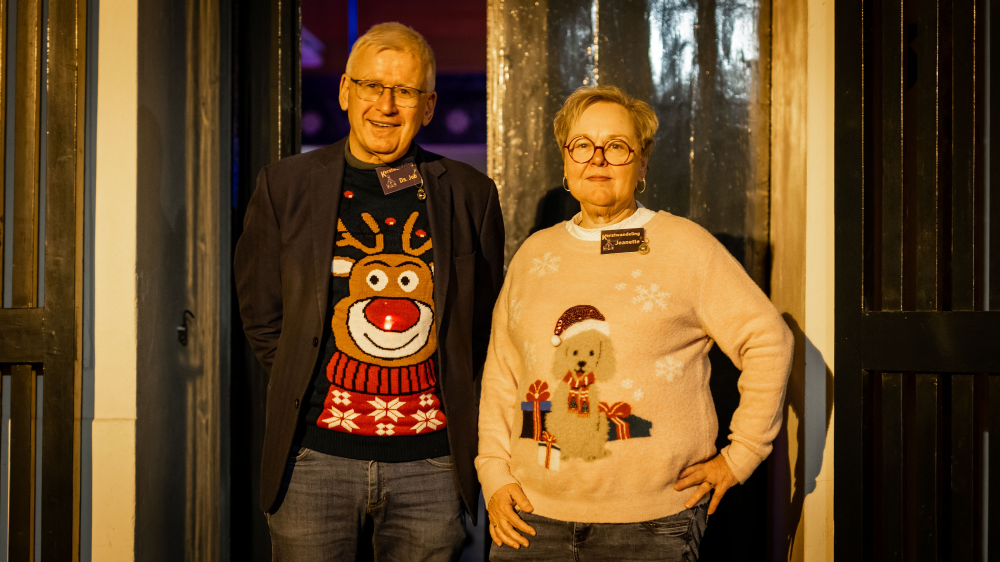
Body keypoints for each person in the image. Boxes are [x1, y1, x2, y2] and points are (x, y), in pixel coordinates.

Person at [475, 85, 793, 561]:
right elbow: (503, 373)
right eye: (582, 145)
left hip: (652, 526)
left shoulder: (687, 248)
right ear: (565, 159)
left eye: (617, 146)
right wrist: (493, 473)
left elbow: (769, 339)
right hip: (530, 519)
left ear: (642, 162)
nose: (598, 159)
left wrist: (741, 454)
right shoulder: (533, 254)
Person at [235, 22, 505, 561]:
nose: (385, 105)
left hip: (431, 466)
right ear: (344, 91)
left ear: (428, 106)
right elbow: (262, 316)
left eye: (404, 91)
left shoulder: (471, 194)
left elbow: (481, 325)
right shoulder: (284, 186)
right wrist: (307, 374)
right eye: (371, 86)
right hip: (312, 458)